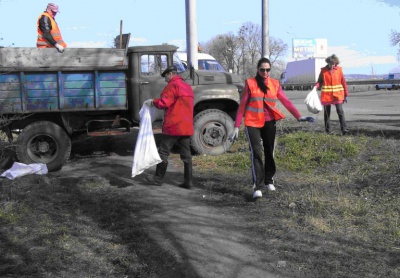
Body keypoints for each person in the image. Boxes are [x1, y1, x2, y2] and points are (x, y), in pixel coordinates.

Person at [229, 57, 314, 199]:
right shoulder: (250, 83)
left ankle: (269, 180)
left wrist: (298, 117)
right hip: (252, 122)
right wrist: (236, 126)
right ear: (258, 69)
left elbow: (286, 101)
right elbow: (242, 106)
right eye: (262, 69)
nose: (265, 72)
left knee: (269, 151)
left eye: (268, 69)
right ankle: (257, 186)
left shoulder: (275, 84)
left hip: (269, 122)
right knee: (256, 152)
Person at [143, 65, 195, 189]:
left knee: (163, 152)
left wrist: (152, 102)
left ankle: (158, 179)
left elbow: (164, 103)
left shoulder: (172, 86)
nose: (165, 79)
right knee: (186, 155)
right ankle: (189, 182)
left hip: (173, 126)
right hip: (186, 126)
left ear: (171, 74)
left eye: (165, 76)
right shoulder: (188, 87)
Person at [315, 54, 349, 135]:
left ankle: (344, 129)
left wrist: (346, 94)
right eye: (330, 63)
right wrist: (315, 87)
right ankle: (328, 131)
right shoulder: (323, 71)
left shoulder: (339, 70)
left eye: (333, 64)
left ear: (336, 63)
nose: (331, 65)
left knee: (340, 111)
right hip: (327, 96)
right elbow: (319, 81)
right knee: (327, 113)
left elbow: (343, 82)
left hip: (338, 95)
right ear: (328, 63)